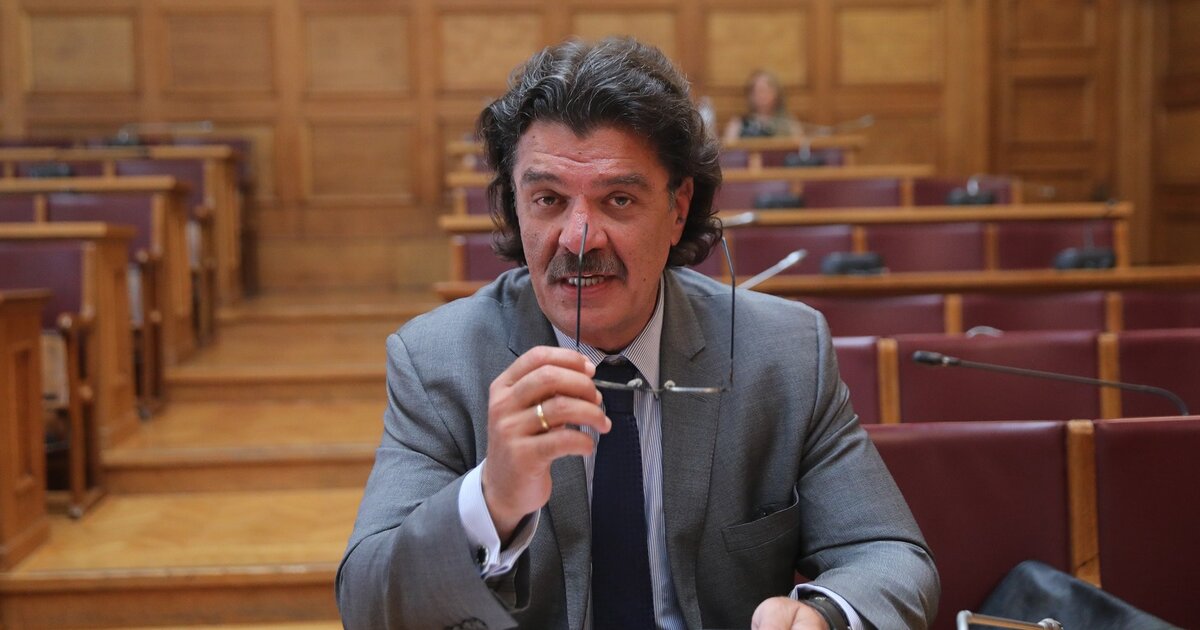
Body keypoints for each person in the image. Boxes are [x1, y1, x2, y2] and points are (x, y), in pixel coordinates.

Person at [337, 37, 938, 630]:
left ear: (678, 209)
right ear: (515, 207)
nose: (579, 238)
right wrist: (489, 500)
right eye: (548, 199)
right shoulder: (438, 361)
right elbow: (366, 603)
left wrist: (825, 616)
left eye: (618, 199)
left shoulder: (785, 353)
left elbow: (889, 555)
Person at [723, 70, 804, 142]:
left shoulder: (789, 124)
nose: (761, 95)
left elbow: (799, 148)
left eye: (766, 90)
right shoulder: (738, 124)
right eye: (756, 90)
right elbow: (728, 149)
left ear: (777, 93)